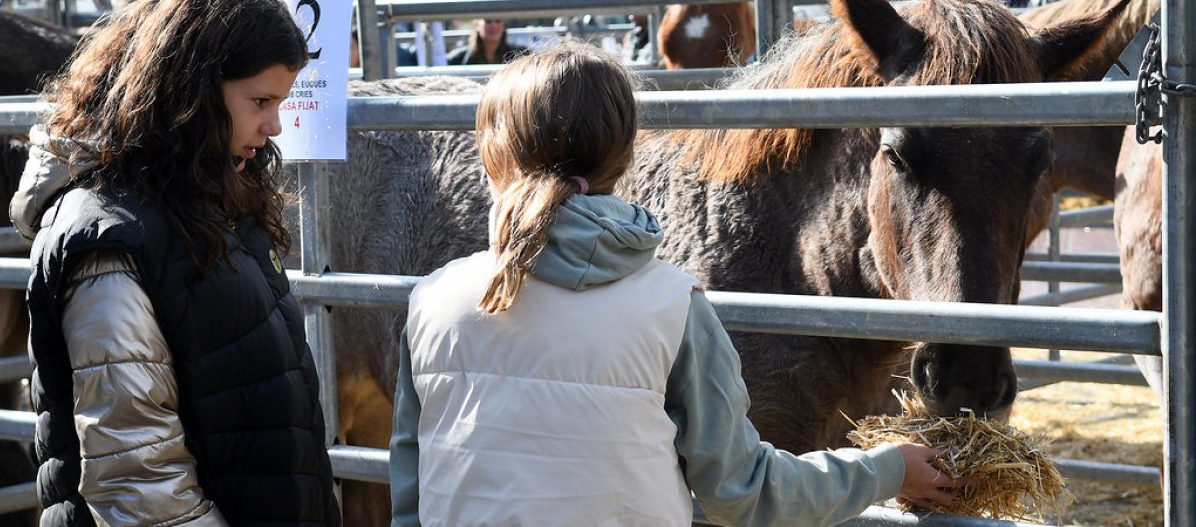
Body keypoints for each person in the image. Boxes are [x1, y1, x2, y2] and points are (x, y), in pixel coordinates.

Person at [389, 41, 962, 526]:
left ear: (492, 155)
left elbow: (412, 492)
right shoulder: (670, 307)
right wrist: (887, 469)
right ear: (625, 157)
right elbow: (739, 491)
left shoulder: (432, 301)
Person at [11, 0, 341, 526]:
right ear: (188, 89)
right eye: (260, 100)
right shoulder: (107, 238)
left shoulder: (210, 198)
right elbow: (138, 479)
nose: (275, 126)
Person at [446, 17, 529, 65]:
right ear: (477, 25)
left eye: (498, 21)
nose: (493, 26)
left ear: (504, 25)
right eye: (488, 21)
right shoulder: (457, 59)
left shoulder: (520, 55)